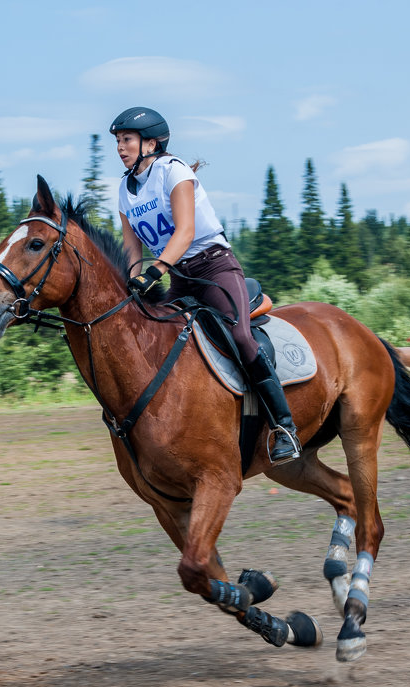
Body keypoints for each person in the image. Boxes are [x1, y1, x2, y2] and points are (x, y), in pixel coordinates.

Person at [111, 106, 301, 463]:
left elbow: (185, 230)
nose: (120, 147)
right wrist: (133, 280)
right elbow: (130, 247)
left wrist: (157, 270)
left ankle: (284, 426)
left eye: (127, 140)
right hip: (180, 277)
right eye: (118, 141)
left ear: (151, 143)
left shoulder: (174, 171)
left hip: (214, 267)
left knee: (241, 338)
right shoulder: (124, 189)